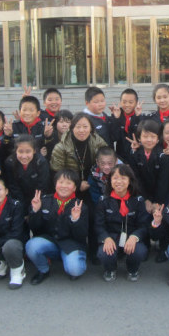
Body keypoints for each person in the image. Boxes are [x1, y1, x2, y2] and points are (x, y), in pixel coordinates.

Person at [50, 112, 108, 262]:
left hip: (92, 185)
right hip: (70, 187)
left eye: (85, 126)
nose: (81, 130)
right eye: (78, 127)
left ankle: (94, 249)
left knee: (95, 215)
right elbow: (57, 172)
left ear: (91, 128)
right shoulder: (61, 147)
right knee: (73, 217)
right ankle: (75, 248)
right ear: (72, 128)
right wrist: (76, 184)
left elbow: (107, 162)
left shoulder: (98, 142)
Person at [25, 170, 89, 284]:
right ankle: (43, 269)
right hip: (51, 241)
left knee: (75, 270)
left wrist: (75, 220)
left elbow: (81, 235)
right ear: (55, 185)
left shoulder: (81, 206)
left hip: (71, 244)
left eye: (68, 183)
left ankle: (71, 259)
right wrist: (35, 211)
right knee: (32, 245)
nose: (64, 186)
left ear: (74, 188)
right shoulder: (44, 201)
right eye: (61, 182)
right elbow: (34, 228)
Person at [94, 164, 151, 282]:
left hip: (130, 236)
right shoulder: (103, 200)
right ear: (110, 181)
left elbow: (144, 225)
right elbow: (99, 225)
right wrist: (106, 238)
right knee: (105, 253)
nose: (119, 181)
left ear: (130, 180)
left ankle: (132, 269)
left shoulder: (138, 200)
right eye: (115, 178)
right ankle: (110, 269)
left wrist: (134, 237)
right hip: (112, 236)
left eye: (123, 178)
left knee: (139, 251)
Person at [4, 135, 51, 215]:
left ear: (34, 151)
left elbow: (43, 186)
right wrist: (22, 206)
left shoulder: (41, 162)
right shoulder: (10, 162)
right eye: (20, 152)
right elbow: (13, 186)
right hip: (19, 198)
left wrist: (34, 204)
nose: (24, 156)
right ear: (15, 151)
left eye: (28, 151)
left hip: (37, 197)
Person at [109, 88, 142, 160]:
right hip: (120, 157)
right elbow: (114, 137)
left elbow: (141, 137)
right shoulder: (117, 116)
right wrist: (116, 118)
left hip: (137, 156)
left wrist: (138, 117)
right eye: (124, 102)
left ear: (136, 103)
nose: (127, 105)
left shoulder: (140, 117)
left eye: (131, 102)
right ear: (120, 102)